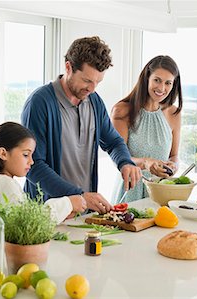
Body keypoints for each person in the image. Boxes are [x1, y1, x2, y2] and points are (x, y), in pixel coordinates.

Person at [21, 36, 142, 215]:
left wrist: (125, 162)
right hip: (47, 215)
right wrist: (80, 195)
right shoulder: (40, 103)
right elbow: (33, 165)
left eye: (97, 82)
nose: (92, 89)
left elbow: (113, 141)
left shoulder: (94, 101)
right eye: (87, 80)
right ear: (68, 67)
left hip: (84, 213)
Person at [0, 122, 87, 223]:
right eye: (26, 155)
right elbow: (29, 222)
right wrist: (68, 203)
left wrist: (63, 213)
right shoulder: (4, 182)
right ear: (3, 153)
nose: (31, 161)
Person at [110, 55, 183, 203]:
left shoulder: (173, 114)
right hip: (130, 190)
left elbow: (174, 155)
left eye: (168, 83)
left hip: (160, 193)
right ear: (147, 78)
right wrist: (146, 163)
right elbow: (118, 157)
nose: (162, 88)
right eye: (157, 80)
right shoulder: (122, 111)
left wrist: (173, 166)